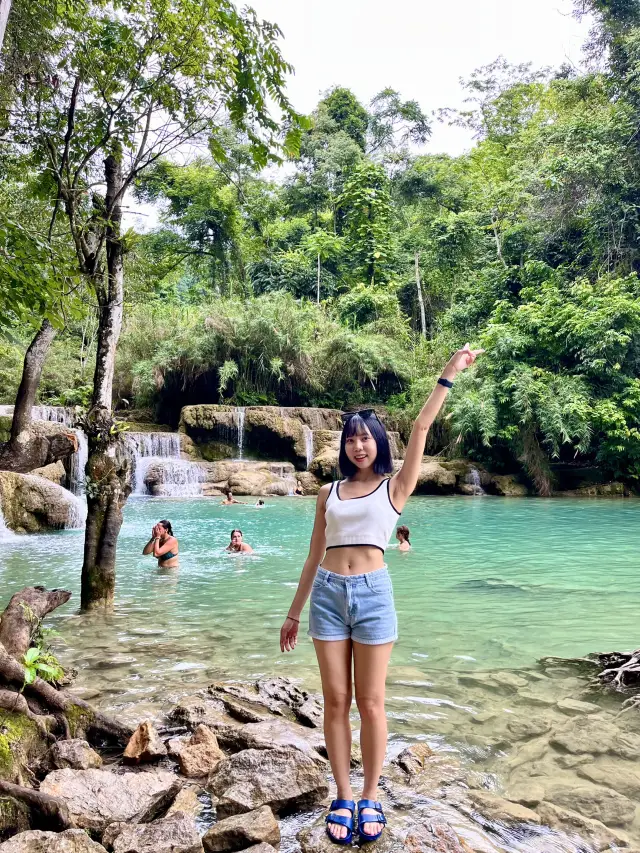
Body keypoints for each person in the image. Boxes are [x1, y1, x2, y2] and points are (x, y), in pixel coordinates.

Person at [280, 344, 483, 845]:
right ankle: (343, 795)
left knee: (370, 703)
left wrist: (447, 374)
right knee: (335, 701)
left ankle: (371, 795)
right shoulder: (327, 493)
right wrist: (292, 613)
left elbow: (421, 427)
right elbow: (313, 556)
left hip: (373, 595)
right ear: (344, 446)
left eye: (366, 438)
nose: (359, 446)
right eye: (351, 439)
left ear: (378, 444)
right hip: (327, 595)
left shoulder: (395, 488)